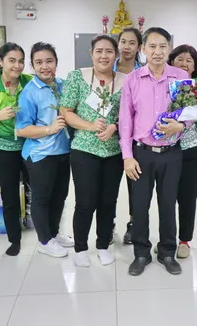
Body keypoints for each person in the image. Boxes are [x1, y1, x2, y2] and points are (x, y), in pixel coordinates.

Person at [119, 27, 190, 276]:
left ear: (169, 49)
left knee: (168, 204)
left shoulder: (180, 77)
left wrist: (182, 125)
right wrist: (127, 156)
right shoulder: (133, 80)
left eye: (162, 46)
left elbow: (192, 110)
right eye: (152, 46)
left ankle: (167, 252)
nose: (157, 51)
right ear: (143, 49)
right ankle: (141, 253)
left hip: (171, 153)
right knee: (139, 206)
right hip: (142, 153)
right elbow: (125, 121)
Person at [60, 35, 127, 267]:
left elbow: (131, 115)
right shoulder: (77, 77)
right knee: (85, 202)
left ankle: (103, 246)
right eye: (99, 51)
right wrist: (89, 125)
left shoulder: (126, 81)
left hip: (113, 152)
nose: (104, 56)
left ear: (116, 55)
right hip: (84, 150)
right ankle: (80, 248)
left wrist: (114, 126)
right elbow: (66, 111)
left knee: (108, 202)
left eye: (109, 51)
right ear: (91, 54)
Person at [16, 42, 74, 258]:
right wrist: (50, 129)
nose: (44, 66)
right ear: (33, 66)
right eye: (39, 62)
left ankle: (54, 233)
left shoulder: (64, 86)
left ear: (56, 63)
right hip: (40, 154)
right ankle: (44, 240)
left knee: (60, 196)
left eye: (49, 61)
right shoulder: (29, 93)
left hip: (63, 152)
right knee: (42, 198)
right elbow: (22, 129)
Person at [0, 42, 33, 256]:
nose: (17, 65)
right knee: (10, 197)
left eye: (21, 61)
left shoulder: (29, 82)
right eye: (12, 60)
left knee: (40, 190)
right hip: (4, 148)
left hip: (30, 144)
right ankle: (14, 240)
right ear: (0, 61)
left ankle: (48, 234)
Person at [167, 45, 197, 259]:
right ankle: (167, 239)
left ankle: (184, 240)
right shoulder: (164, 86)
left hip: (192, 148)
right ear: (171, 61)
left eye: (189, 60)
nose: (184, 63)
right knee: (166, 197)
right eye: (180, 59)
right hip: (166, 149)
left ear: (195, 66)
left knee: (187, 197)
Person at [114, 27, 143, 245]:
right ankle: (108, 222)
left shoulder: (144, 72)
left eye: (132, 43)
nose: (127, 47)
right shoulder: (107, 69)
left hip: (135, 139)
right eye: (123, 42)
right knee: (110, 185)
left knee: (136, 185)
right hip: (108, 137)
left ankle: (134, 224)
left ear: (139, 47)